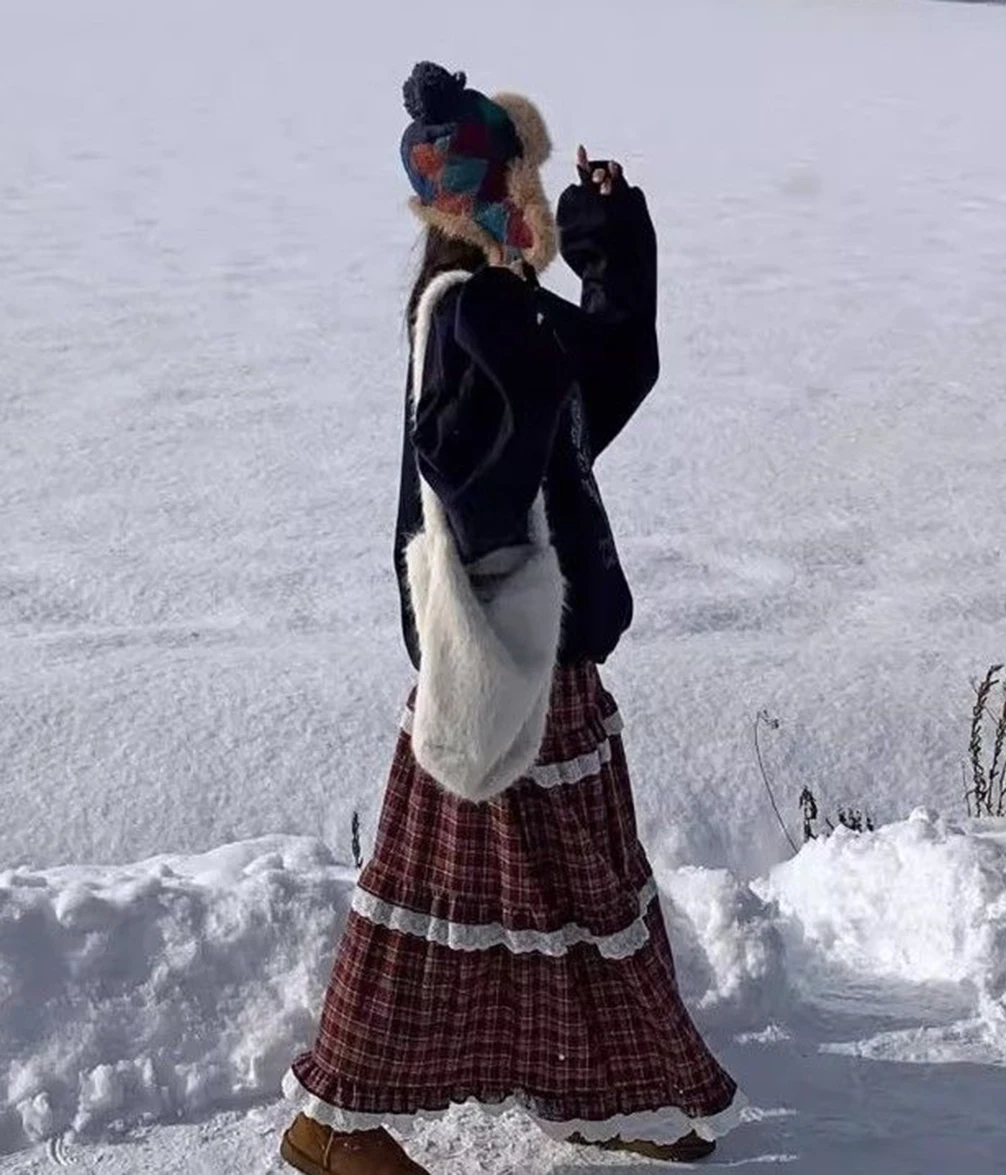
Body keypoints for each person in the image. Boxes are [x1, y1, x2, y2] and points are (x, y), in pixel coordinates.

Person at [279, 61, 744, 1175]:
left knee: (582, 900)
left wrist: (610, 232)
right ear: (486, 198)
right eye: (531, 185)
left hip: (552, 652)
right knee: (444, 910)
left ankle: (602, 1096)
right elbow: (466, 480)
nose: (539, 201)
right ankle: (332, 1127)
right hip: (498, 657)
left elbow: (616, 373)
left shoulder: (510, 306)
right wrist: (533, 380)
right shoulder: (467, 314)